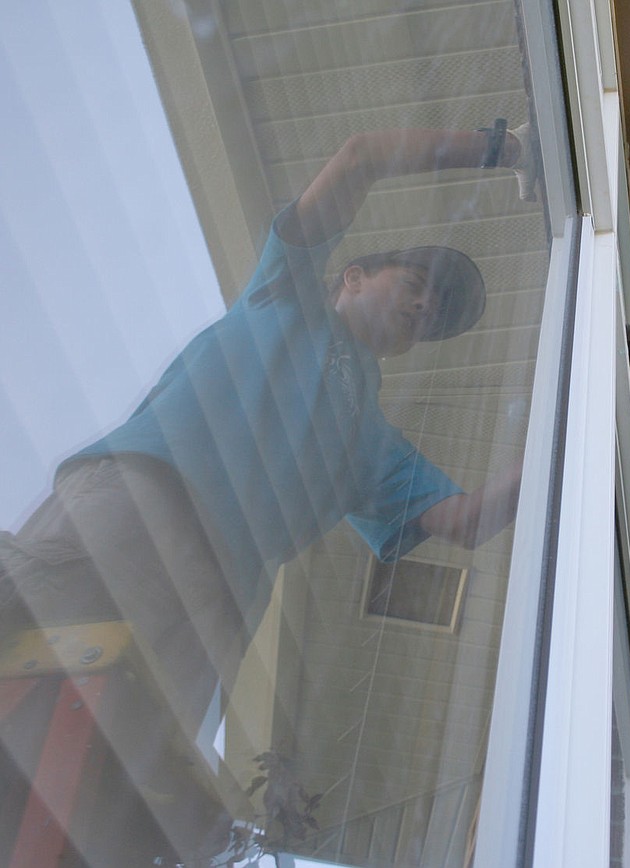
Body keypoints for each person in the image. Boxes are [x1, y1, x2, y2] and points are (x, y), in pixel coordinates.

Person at [0, 121, 533, 859]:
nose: (422, 310)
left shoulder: (376, 446)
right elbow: (362, 153)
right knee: (19, 649)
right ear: (349, 276)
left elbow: (468, 520)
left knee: (93, 790)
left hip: (212, 604)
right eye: (414, 287)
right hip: (137, 508)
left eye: (432, 317)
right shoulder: (287, 294)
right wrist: (497, 146)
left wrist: (566, 423)